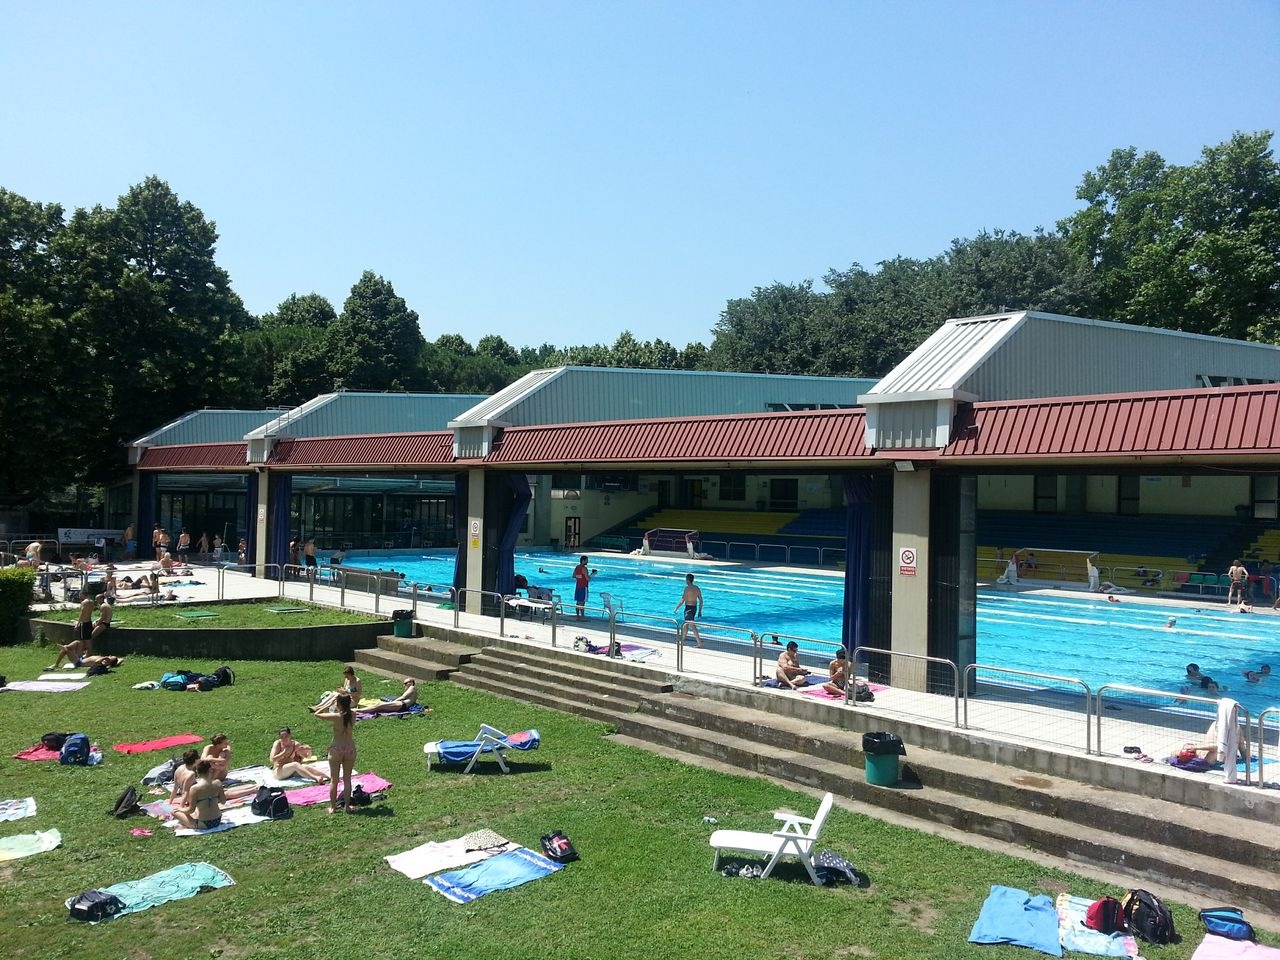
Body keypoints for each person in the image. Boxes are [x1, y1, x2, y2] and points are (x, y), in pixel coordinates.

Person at [313, 693, 357, 814]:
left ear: (339, 704)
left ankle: (333, 807)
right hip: (350, 748)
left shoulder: (336, 716)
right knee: (347, 779)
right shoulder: (353, 714)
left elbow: (317, 714)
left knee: (334, 780)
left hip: (336, 748)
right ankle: (347, 807)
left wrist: (328, 703)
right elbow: (352, 705)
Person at [171, 759, 226, 831]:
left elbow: (190, 810)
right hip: (217, 820)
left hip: (203, 824)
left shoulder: (195, 788)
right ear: (210, 770)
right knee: (198, 810)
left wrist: (181, 809)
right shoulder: (218, 783)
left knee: (173, 811)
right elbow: (223, 801)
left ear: (197, 772)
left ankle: (186, 825)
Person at [674, 573, 703, 646]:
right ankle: (682, 641)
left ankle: (699, 643)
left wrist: (676, 608)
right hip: (694, 609)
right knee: (686, 625)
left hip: (688, 609)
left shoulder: (687, 589)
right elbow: (701, 600)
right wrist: (699, 611)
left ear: (687, 580)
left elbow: (682, 600)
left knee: (692, 625)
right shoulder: (697, 588)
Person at [572, 555, 592, 619]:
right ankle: (582, 616)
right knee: (582, 603)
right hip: (583, 587)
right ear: (583, 560)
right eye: (586, 560)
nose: (587, 562)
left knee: (578, 602)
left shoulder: (577, 567)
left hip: (578, 586)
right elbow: (588, 579)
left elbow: (574, 576)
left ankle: (578, 616)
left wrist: (580, 576)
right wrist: (592, 575)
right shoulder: (584, 568)